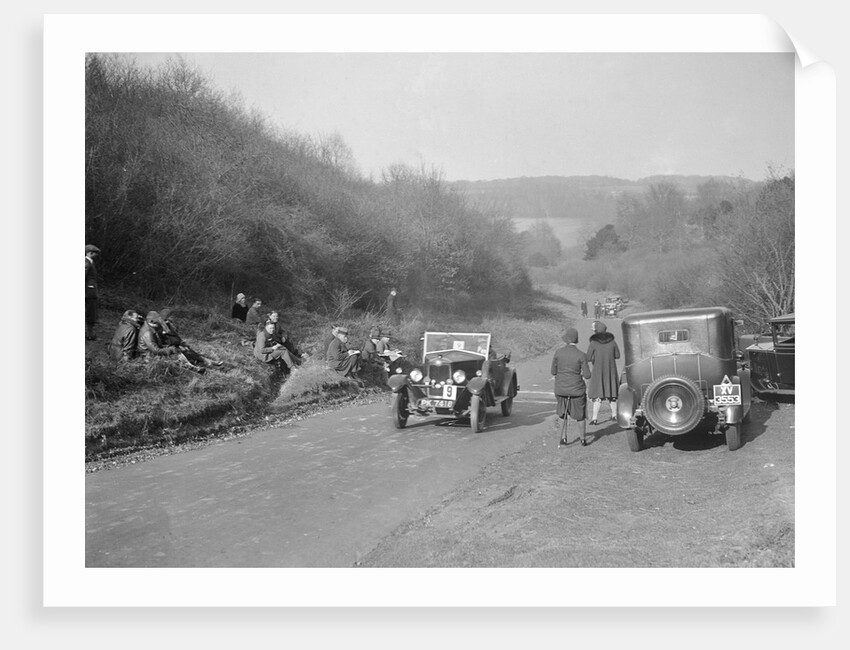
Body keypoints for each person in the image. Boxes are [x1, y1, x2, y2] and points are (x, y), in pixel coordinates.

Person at [550, 327, 591, 447]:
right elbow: (587, 375)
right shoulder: (581, 355)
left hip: (561, 389)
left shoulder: (558, 353)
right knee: (580, 415)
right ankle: (583, 439)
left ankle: (563, 438)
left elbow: (553, 371)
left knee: (563, 413)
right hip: (577, 390)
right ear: (576, 340)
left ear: (566, 340)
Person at [587, 321, 620, 425]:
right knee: (612, 395)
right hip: (610, 370)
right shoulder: (612, 342)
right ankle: (614, 415)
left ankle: (594, 418)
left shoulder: (593, 343)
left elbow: (588, 357)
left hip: (598, 371)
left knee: (597, 395)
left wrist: (594, 358)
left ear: (596, 331)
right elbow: (617, 355)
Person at [85, 244, 101, 340]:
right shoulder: (87, 263)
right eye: (95, 253)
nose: (96, 255)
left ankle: (90, 333)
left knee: (91, 312)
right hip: (89, 292)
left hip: (90, 292)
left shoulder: (90, 263)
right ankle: (89, 335)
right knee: (90, 312)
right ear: (90, 253)